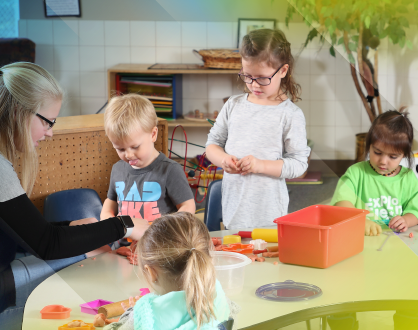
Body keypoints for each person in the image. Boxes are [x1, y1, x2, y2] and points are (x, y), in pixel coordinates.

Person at [0, 62, 151, 330]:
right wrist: (124, 223)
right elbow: (46, 244)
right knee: (87, 261)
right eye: (47, 121)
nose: (50, 132)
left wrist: (72, 227)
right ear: (20, 112)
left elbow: (19, 229)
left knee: (87, 252)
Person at [205, 28, 310, 229]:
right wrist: (223, 160)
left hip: (269, 212)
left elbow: (299, 165)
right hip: (233, 208)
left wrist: (260, 165)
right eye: (247, 76)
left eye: (262, 78)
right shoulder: (233, 105)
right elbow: (212, 144)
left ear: (283, 71)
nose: (254, 85)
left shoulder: (290, 114)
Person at [102, 212, 234, 330]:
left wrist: (130, 314)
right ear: (207, 261)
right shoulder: (218, 296)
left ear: (151, 272)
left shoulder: (146, 315)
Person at [101, 93, 196, 222]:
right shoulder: (117, 169)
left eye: (135, 147)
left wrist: (166, 228)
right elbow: (111, 201)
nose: (128, 155)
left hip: (159, 241)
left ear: (153, 134)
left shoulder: (170, 170)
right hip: (124, 241)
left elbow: (188, 206)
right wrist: (107, 217)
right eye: (121, 149)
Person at [331, 109, 418, 236]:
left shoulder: (407, 178)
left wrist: (406, 220)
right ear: (369, 145)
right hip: (359, 238)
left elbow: (416, 212)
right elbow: (341, 203)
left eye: (393, 157)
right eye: (377, 153)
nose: (383, 161)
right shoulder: (356, 173)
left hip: (395, 241)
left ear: (404, 155)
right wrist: (360, 220)